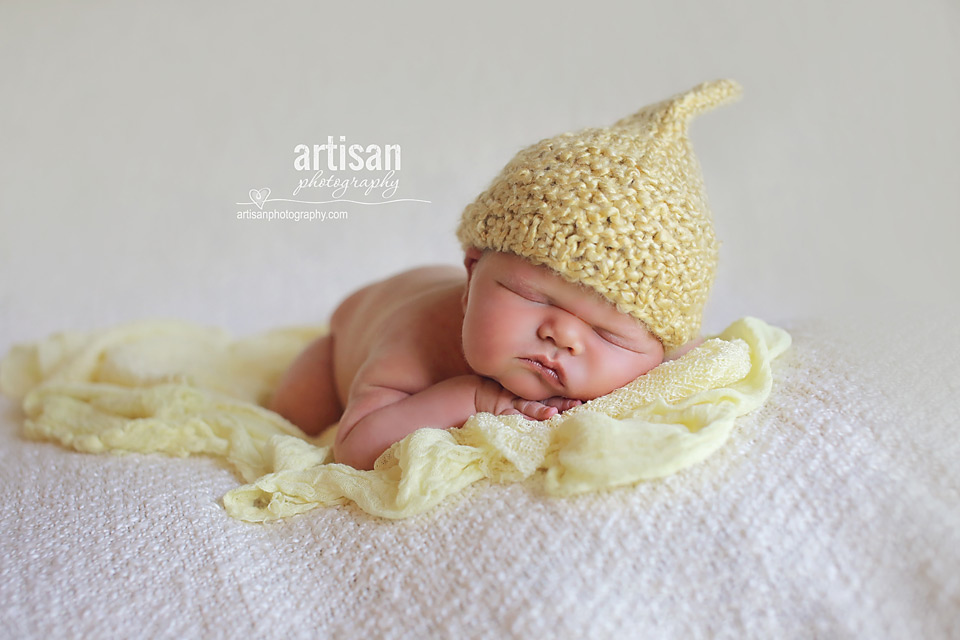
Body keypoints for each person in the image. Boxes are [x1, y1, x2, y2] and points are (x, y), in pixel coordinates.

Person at [269, 79, 742, 470]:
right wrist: (473, 398)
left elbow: (688, 357)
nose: (562, 335)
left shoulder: (655, 350)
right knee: (298, 410)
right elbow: (355, 446)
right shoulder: (414, 341)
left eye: (607, 333)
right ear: (473, 274)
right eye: (534, 297)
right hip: (352, 331)